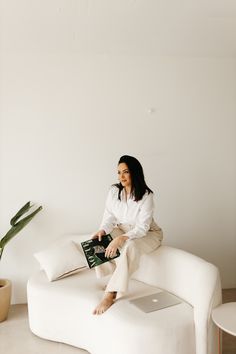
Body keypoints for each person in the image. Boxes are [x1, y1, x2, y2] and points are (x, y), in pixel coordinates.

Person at [92, 155, 163, 315]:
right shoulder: (114, 191)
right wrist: (102, 230)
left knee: (130, 246)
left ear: (134, 173)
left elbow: (142, 228)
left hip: (148, 233)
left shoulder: (147, 196)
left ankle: (110, 294)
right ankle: (112, 279)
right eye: (118, 172)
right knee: (98, 238)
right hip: (124, 229)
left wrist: (121, 238)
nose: (121, 176)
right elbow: (109, 216)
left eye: (125, 172)